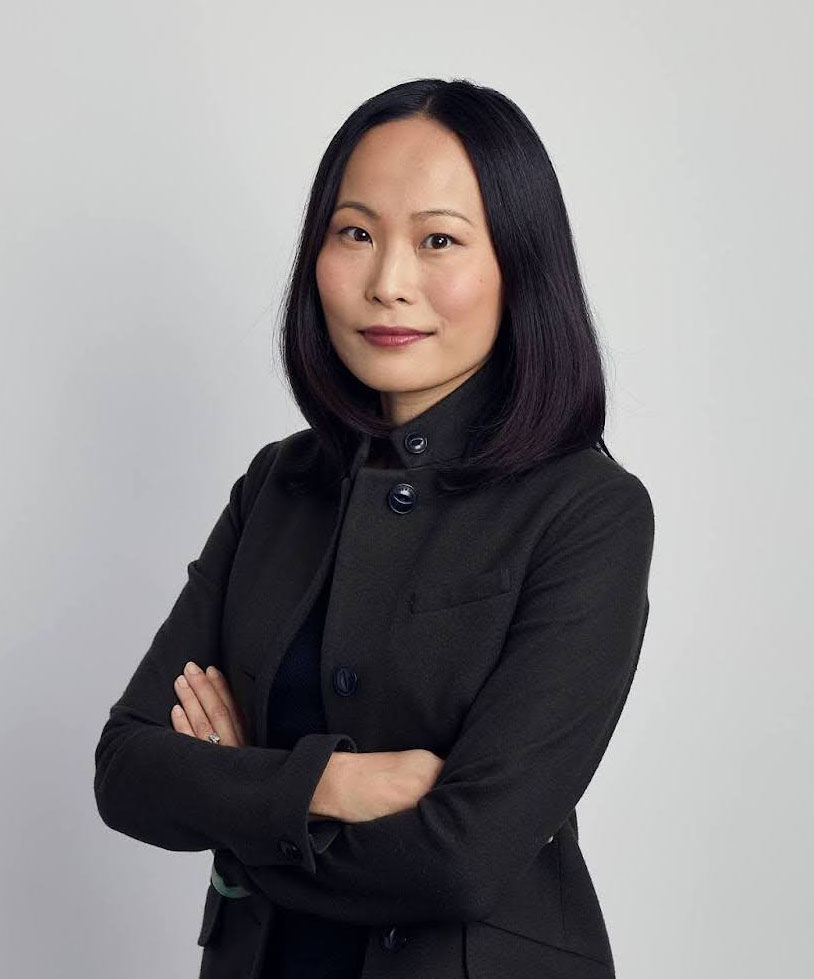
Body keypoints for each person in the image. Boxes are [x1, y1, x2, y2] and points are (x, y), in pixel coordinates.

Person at [93, 77, 655, 979]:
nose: (388, 282)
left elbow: (464, 858)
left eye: (438, 240)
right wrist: (328, 784)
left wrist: (242, 805)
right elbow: (127, 769)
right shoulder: (279, 484)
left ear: (520, 263)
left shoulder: (588, 512)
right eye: (355, 233)